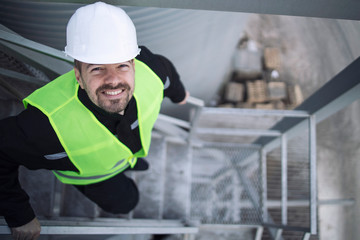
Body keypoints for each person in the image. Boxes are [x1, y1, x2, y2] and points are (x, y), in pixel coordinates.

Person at [0, 2, 189, 239]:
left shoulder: (150, 68)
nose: (113, 81)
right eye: (98, 69)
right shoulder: (45, 126)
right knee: (127, 202)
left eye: (122, 65)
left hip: (127, 151)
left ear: (134, 65)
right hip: (92, 176)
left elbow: (167, 73)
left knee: (135, 158)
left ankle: (129, 161)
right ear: (78, 76)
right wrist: (19, 214)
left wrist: (179, 94)